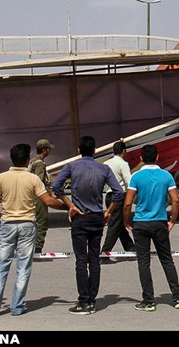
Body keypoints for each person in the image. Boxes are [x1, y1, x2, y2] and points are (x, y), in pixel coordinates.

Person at [0, 143, 70, 317]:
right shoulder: (32, 179)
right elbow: (48, 201)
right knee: (23, 268)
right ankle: (17, 306)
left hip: (7, 224)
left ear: (12, 159)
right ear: (28, 160)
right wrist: (67, 207)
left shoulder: (1, 177)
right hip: (28, 224)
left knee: (1, 267)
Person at [51, 135, 124, 315]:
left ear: (79, 150)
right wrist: (109, 211)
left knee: (81, 260)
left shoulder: (71, 167)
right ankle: (92, 299)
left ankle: (83, 301)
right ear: (94, 150)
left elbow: (56, 186)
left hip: (80, 217)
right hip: (97, 217)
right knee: (94, 259)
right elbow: (119, 192)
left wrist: (70, 205)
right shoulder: (104, 169)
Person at [123, 144, 179, 311]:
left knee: (143, 262)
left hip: (141, 223)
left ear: (141, 159)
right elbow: (175, 199)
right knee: (166, 260)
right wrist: (172, 220)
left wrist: (126, 221)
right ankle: (178, 297)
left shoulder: (136, 177)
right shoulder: (166, 176)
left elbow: (128, 203)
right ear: (157, 157)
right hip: (160, 221)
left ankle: (148, 300)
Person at [101, 141, 135, 254]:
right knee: (115, 225)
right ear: (124, 151)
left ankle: (131, 248)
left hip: (108, 195)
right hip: (120, 196)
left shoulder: (106, 163)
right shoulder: (123, 164)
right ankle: (105, 251)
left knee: (119, 225)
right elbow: (129, 182)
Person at [28, 138, 56, 254]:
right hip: (38, 196)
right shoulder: (39, 163)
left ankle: (29, 247)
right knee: (42, 222)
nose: (49, 151)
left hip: (31, 195)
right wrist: (49, 192)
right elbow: (38, 181)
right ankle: (38, 249)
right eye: (48, 149)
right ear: (44, 150)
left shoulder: (32, 161)